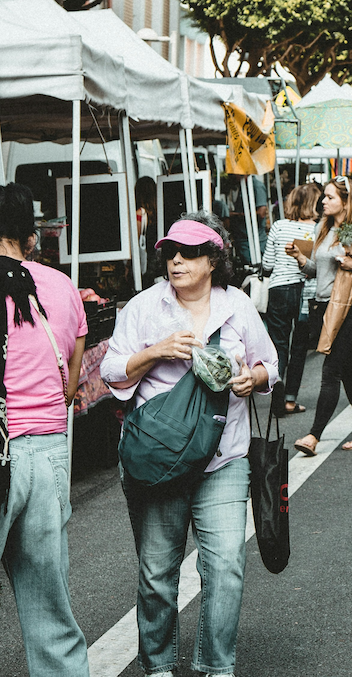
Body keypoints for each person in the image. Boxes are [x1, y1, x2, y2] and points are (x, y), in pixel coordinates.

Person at [101, 211, 278, 677]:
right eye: (170, 253)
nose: (176, 261)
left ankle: (217, 666)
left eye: (188, 253)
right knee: (158, 575)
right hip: (159, 462)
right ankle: (158, 666)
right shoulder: (143, 307)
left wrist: (250, 378)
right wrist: (156, 351)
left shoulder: (236, 305)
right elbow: (111, 372)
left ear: (213, 261)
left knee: (225, 569)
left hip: (224, 458)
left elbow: (270, 366)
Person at [0, 183, 90, 677]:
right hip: (49, 454)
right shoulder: (62, 287)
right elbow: (71, 385)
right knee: (49, 613)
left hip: (2, 445)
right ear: (30, 238)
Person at [285, 177, 352, 455]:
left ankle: (314, 436)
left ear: (346, 201)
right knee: (348, 371)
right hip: (323, 307)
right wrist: (301, 259)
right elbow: (317, 270)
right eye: (324, 197)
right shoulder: (322, 228)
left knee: (331, 371)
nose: (323, 201)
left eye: (329, 197)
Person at [263, 182, 320, 416]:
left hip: (278, 290)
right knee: (299, 346)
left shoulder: (278, 226)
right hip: (306, 293)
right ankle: (290, 399)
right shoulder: (319, 230)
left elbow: (267, 264)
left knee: (278, 344)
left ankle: (276, 389)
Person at [227, 175, 269, 266]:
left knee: (254, 269)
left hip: (253, 242)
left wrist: (237, 215)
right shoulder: (243, 186)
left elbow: (261, 213)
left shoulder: (256, 186)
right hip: (244, 239)